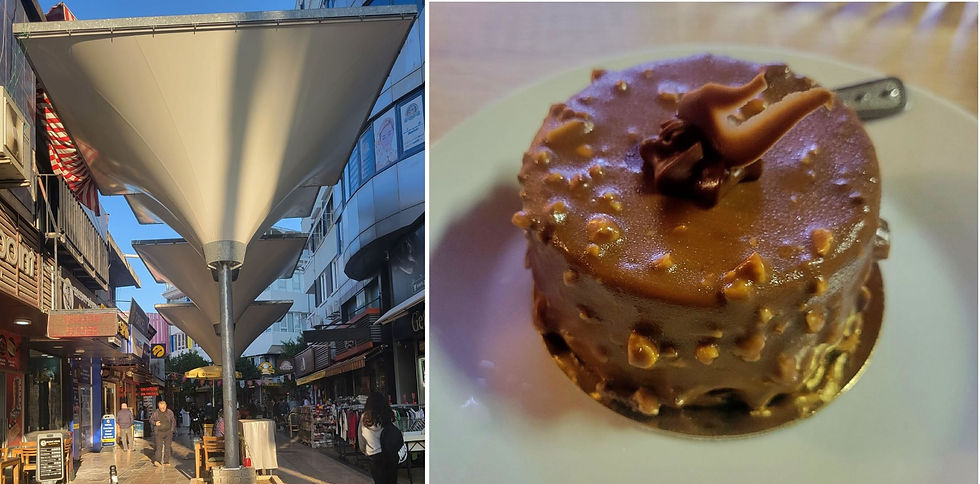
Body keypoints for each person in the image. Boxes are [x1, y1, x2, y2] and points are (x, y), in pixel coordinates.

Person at [358, 392, 398, 484]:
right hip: (390, 454)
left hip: (374, 454)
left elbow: (361, 437)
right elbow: (395, 433)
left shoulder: (364, 417)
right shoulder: (390, 414)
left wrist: (364, 450)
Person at [149, 399, 176, 466]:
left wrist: (172, 430)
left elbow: (173, 421)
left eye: (163, 407)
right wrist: (155, 423)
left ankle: (166, 461)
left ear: (166, 406)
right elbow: (151, 420)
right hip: (159, 432)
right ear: (159, 407)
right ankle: (157, 461)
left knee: (168, 447)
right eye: (161, 407)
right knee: (159, 447)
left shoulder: (170, 412)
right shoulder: (156, 413)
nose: (162, 409)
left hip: (168, 432)